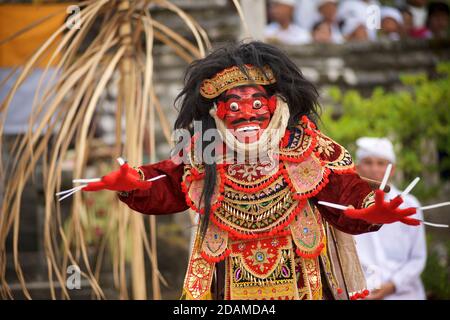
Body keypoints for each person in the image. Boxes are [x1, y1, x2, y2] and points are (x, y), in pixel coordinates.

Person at [75, 42, 422, 300]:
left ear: (277, 105)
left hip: (304, 280)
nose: (246, 114)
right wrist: (134, 183)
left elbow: (343, 192)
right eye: (233, 106)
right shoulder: (202, 154)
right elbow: (167, 184)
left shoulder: (305, 147)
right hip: (228, 285)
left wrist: (367, 209)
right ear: (217, 112)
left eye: (256, 104)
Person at [354, 137, 427, 300]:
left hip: (406, 295)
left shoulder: (409, 205)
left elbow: (417, 258)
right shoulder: (349, 208)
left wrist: (393, 285)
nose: (374, 169)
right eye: (368, 162)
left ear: (392, 169)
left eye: (381, 163)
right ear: (357, 168)